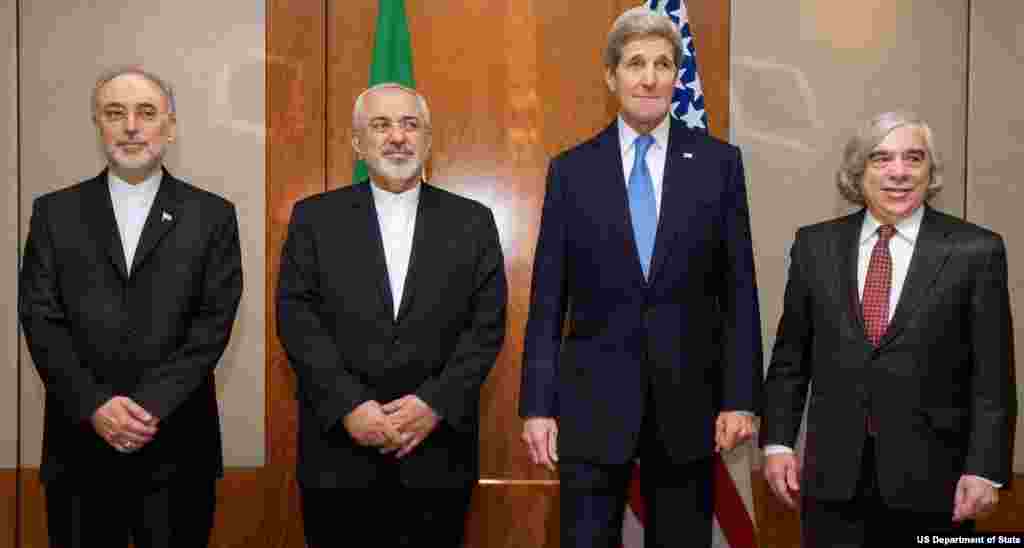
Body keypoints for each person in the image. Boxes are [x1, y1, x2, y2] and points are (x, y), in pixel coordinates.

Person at [518, 7, 763, 547]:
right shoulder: (571, 170)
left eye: (662, 64)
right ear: (612, 77)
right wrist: (538, 405)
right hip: (590, 408)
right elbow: (547, 300)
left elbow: (739, 290)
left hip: (689, 406)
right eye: (635, 63)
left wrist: (740, 396)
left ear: (678, 76)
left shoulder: (720, 165)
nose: (649, 77)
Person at [761, 111, 1017, 546]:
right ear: (858, 171)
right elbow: (790, 361)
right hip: (831, 486)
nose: (899, 172)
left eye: (913, 158)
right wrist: (778, 444)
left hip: (936, 486)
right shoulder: (814, 246)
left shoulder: (976, 251)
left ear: (929, 172)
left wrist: (985, 469)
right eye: (881, 159)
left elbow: (992, 377)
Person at [19, 66, 243, 547]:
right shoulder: (54, 214)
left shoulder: (213, 216)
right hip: (79, 448)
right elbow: (41, 319)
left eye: (146, 113)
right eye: (114, 113)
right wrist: (96, 405)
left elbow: (213, 324)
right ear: (97, 124)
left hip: (178, 450)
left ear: (171, 125)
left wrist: (148, 406)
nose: (131, 127)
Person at [276, 82, 507, 547]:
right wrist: (350, 405)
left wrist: (432, 405)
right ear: (357, 142)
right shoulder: (314, 219)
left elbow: (486, 327)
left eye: (410, 124)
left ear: (428, 139)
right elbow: (297, 319)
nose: (397, 137)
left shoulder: (473, 221)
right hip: (339, 457)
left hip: (436, 455)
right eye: (381, 125)